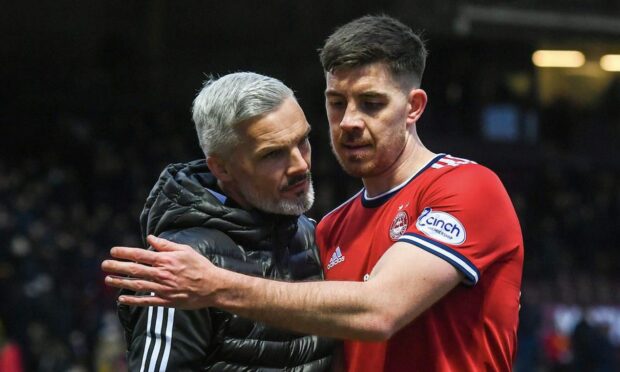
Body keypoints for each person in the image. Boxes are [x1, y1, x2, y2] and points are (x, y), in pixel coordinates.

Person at [103, 15, 524, 371]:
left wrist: (215, 285)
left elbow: (380, 310)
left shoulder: (467, 188)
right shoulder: (328, 229)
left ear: (413, 106)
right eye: (337, 103)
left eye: (372, 103)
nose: (348, 122)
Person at [113, 72, 336, 370]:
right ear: (222, 168)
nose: (300, 165)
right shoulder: (176, 266)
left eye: (303, 141)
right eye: (273, 154)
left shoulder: (310, 233)